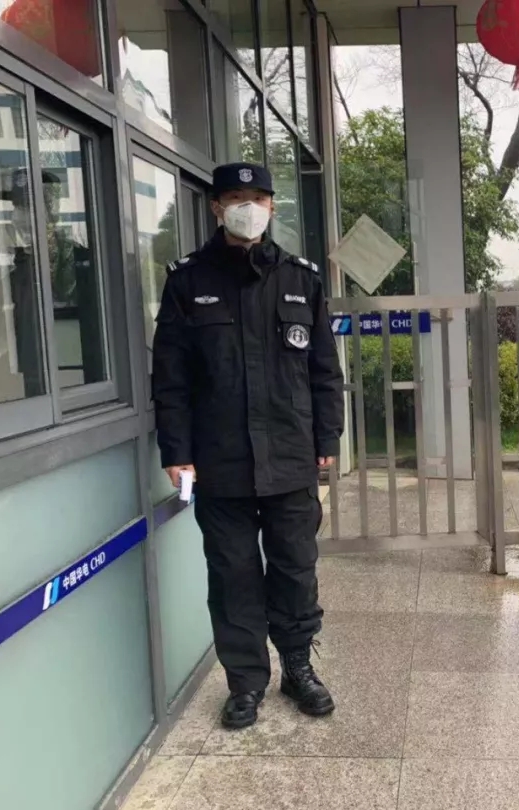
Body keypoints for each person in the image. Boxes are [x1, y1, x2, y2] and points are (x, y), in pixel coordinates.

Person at [152, 162, 344, 730]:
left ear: (272, 206)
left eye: (257, 197)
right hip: (220, 462)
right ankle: (245, 683)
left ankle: (298, 669)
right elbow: (171, 378)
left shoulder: (301, 279)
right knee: (233, 575)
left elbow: (324, 370)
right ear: (216, 207)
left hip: (290, 455)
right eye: (235, 197)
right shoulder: (188, 281)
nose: (247, 207)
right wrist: (176, 452)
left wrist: (327, 436)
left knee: (295, 569)